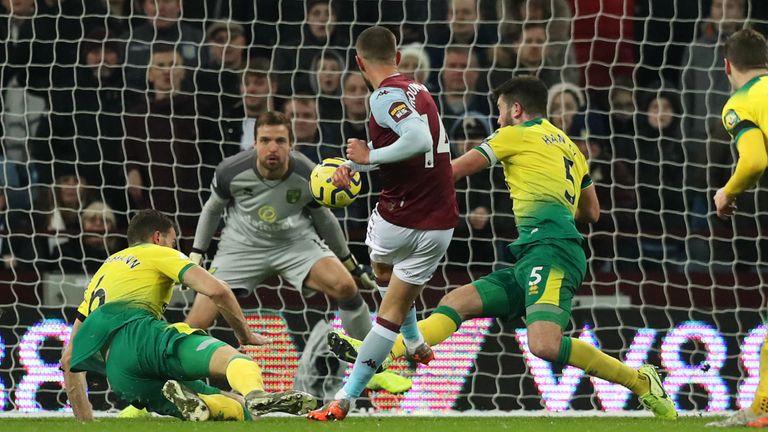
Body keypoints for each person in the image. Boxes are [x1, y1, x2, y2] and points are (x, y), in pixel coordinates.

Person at [327, 76, 678, 420]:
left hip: (553, 251)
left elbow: (450, 172)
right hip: (534, 254)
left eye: (499, 111)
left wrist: (370, 162)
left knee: (544, 345)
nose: (496, 119)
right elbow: (593, 212)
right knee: (456, 302)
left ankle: (639, 379)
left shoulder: (514, 134)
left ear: (516, 109)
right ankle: (387, 354)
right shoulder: (569, 145)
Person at [184, 110, 408, 396]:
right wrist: (196, 255)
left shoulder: (308, 173)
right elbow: (212, 210)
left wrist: (350, 264)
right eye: (265, 140)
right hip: (242, 245)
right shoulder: (231, 171)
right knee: (196, 321)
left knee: (346, 287)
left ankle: (374, 369)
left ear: (291, 145)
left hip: (294, 241)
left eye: (280, 140)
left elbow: (324, 219)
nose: (272, 147)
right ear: (254, 144)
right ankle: (169, 383)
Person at [307, 26, 458, 421]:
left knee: (383, 289)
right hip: (441, 221)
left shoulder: (383, 96)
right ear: (398, 57)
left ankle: (344, 397)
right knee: (394, 289)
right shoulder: (419, 91)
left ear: (358, 63)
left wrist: (367, 155)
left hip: (400, 216)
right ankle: (414, 341)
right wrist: (358, 163)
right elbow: (415, 147)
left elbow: (418, 139)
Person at [61, 209, 316, 422]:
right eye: (173, 242)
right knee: (235, 360)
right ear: (158, 237)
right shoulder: (157, 251)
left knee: (218, 405)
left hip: (119, 373)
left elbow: (69, 358)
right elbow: (218, 290)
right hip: (142, 335)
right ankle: (255, 393)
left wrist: (86, 423)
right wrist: (245, 334)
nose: (174, 247)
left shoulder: (104, 270)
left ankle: (220, 405)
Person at [707, 29, 768, 428]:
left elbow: (753, 161)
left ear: (727, 66)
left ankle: (762, 410)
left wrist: (727, 192)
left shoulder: (740, 102)